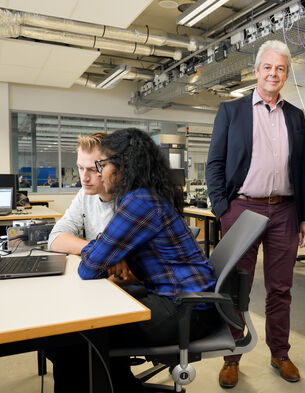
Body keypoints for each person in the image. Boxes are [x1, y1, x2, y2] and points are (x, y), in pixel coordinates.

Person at [50, 128, 218, 393]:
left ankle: (117, 386)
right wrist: (103, 250)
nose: (99, 173)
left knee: (76, 337)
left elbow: (89, 268)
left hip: (185, 310)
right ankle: (120, 385)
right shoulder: (143, 195)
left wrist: (101, 252)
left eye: (101, 166)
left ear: (123, 167)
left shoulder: (139, 203)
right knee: (74, 333)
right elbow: (100, 256)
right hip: (175, 299)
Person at [206, 39, 305, 388]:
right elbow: (215, 164)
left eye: (280, 68)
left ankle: (279, 353)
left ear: (286, 74)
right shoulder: (231, 111)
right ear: (256, 72)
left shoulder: (296, 117)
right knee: (237, 287)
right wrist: (224, 210)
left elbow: (303, 171)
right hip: (242, 208)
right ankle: (231, 356)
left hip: (284, 210)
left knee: (280, 288)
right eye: (267, 67)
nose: (273, 73)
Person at [48, 133, 114, 255]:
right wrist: (98, 250)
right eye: (80, 168)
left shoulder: (134, 200)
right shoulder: (84, 195)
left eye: (92, 170)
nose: (84, 178)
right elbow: (55, 238)